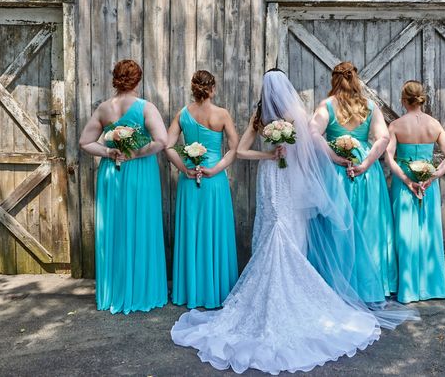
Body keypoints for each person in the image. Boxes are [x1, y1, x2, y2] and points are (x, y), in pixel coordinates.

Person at [171, 69, 418, 374]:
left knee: (278, 229)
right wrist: (281, 155)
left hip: (274, 177)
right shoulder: (292, 113)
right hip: (286, 179)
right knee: (282, 229)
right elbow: (307, 151)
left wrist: (269, 156)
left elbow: (243, 152)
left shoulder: (260, 115)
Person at [79, 59, 168, 314]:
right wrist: (136, 154)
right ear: (138, 80)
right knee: (141, 226)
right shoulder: (145, 108)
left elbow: (85, 142)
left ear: (115, 79)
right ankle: (142, 291)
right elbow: (161, 141)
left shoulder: (104, 108)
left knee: (116, 229)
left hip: (112, 174)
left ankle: (114, 292)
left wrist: (109, 152)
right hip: (140, 174)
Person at [310, 62, 397, 300]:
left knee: (337, 225)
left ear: (333, 80)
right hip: (366, 172)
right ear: (356, 80)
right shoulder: (370, 106)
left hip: (336, 172)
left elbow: (313, 132)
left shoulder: (326, 106)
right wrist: (367, 162)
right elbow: (383, 138)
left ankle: (337, 285)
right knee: (368, 225)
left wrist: (333, 157)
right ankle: (369, 287)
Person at [165, 70, 239, 309]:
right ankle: (216, 290)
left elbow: (168, 146)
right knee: (214, 231)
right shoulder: (222, 114)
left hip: (189, 181)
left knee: (193, 232)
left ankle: (191, 290)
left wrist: (184, 169)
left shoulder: (183, 114)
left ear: (193, 89)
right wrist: (216, 169)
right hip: (214, 182)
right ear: (213, 88)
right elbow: (234, 149)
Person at [385, 80, 445, 303]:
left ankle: (407, 288)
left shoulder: (396, 126)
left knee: (404, 233)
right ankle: (432, 287)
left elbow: (388, 158)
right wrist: (432, 176)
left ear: (404, 100)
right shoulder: (435, 125)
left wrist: (406, 180)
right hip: (428, 185)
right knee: (428, 231)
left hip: (404, 185)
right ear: (422, 98)